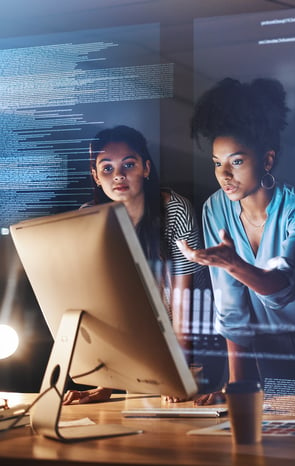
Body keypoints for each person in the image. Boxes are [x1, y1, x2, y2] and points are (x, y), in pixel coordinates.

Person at [179, 78, 295, 404]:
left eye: (236, 161)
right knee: (274, 436)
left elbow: (282, 287)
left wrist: (234, 264)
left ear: (267, 160)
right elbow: (231, 306)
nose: (225, 174)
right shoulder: (215, 208)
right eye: (217, 163)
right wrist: (235, 387)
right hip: (265, 346)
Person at [63, 125, 203, 405]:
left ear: (146, 169)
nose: (119, 175)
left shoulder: (175, 209)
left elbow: (184, 307)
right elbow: (101, 306)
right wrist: (104, 386)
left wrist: (175, 374)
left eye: (129, 164)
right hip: (126, 353)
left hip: (184, 351)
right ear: (96, 176)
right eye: (107, 168)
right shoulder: (87, 218)